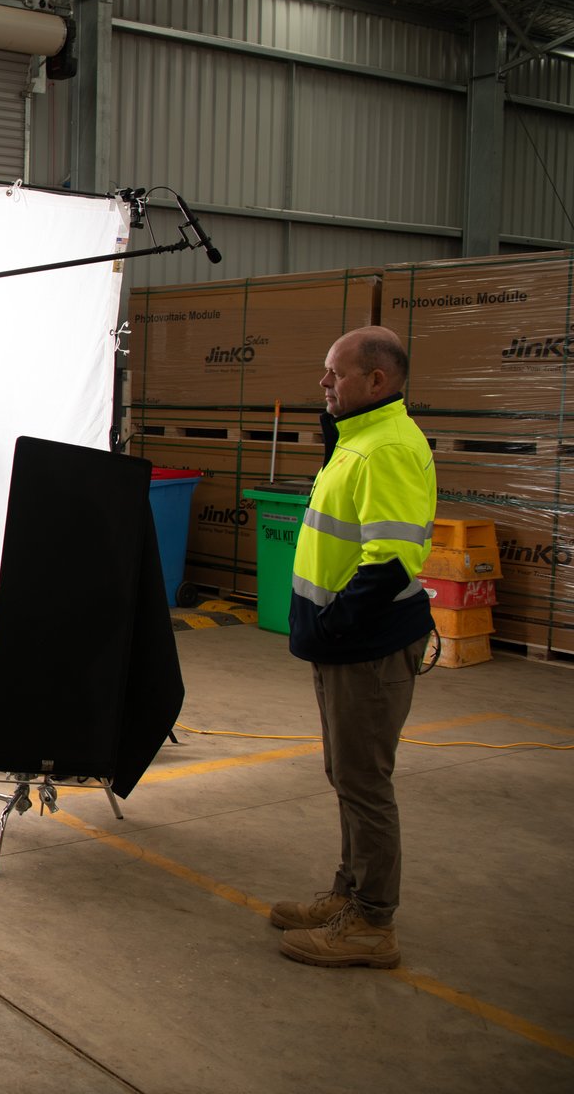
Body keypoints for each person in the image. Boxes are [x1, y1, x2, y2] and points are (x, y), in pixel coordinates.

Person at [273, 325, 435, 970]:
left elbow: (391, 560)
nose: (323, 382)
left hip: (365, 645)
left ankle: (372, 923)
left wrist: (338, 623)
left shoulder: (385, 448)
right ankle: (349, 895)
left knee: (365, 782)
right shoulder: (359, 439)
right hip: (345, 643)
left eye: (335, 373)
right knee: (347, 773)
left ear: (378, 381)